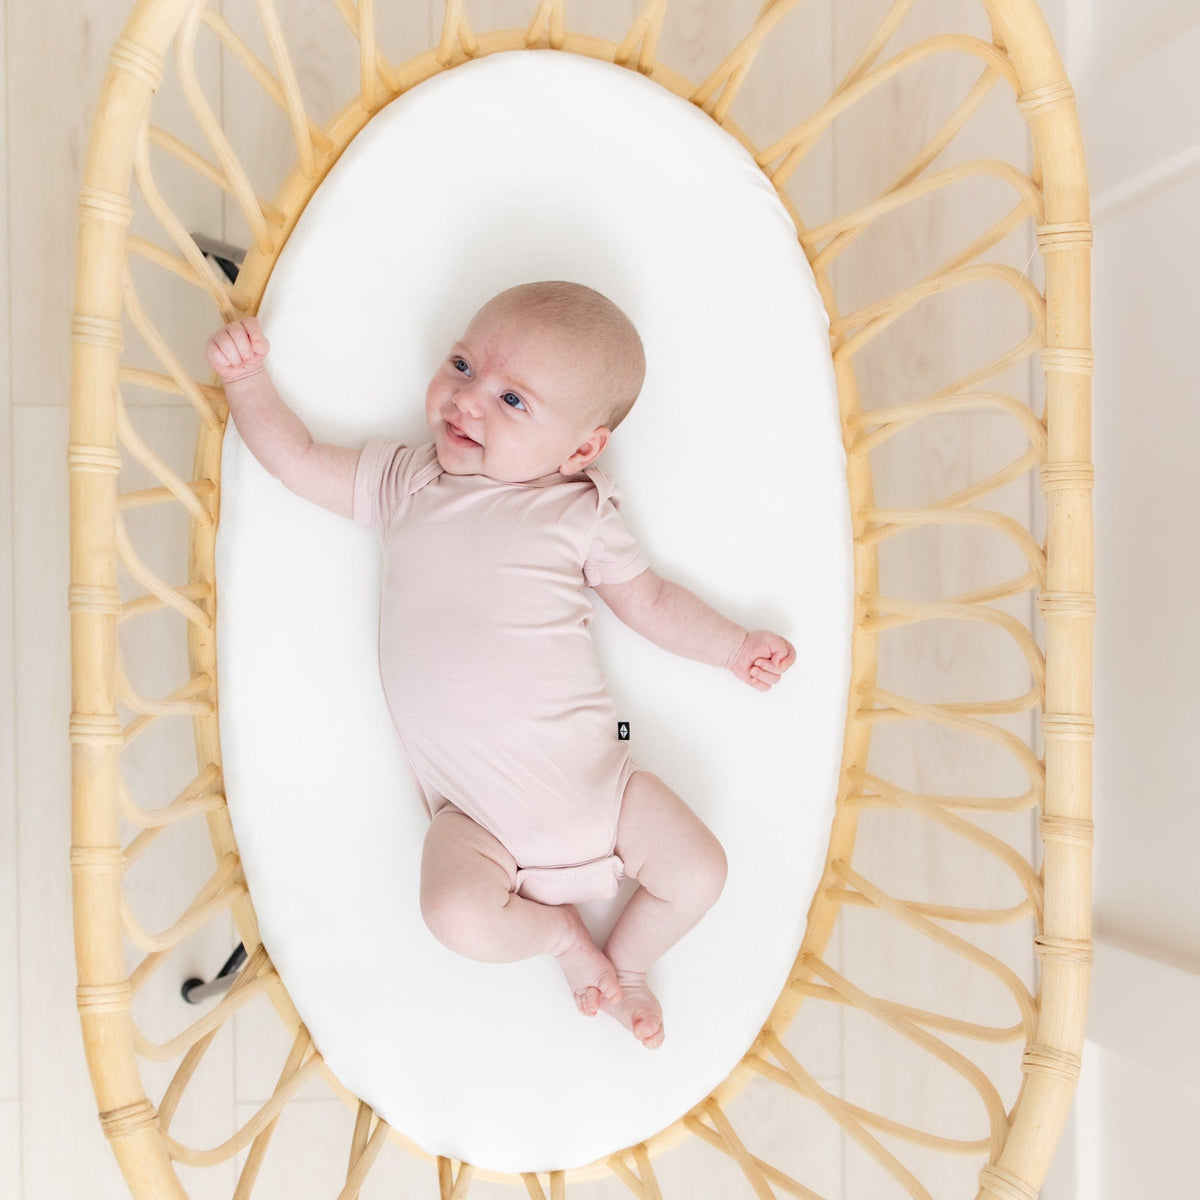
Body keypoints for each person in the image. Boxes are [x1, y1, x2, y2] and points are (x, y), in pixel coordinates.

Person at [206, 280, 796, 1049]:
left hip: (606, 791)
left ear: (581, 450)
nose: (468, 402)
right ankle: (561, 940)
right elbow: (296, 459)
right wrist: (248, 382)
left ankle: (629, 965)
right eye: (462, 366)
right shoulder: (407, 483)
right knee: (454, 915)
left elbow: (648, 602)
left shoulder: (579, 512)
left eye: (513, 401)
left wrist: (731, 647)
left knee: (700, 874)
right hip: (474, 823)